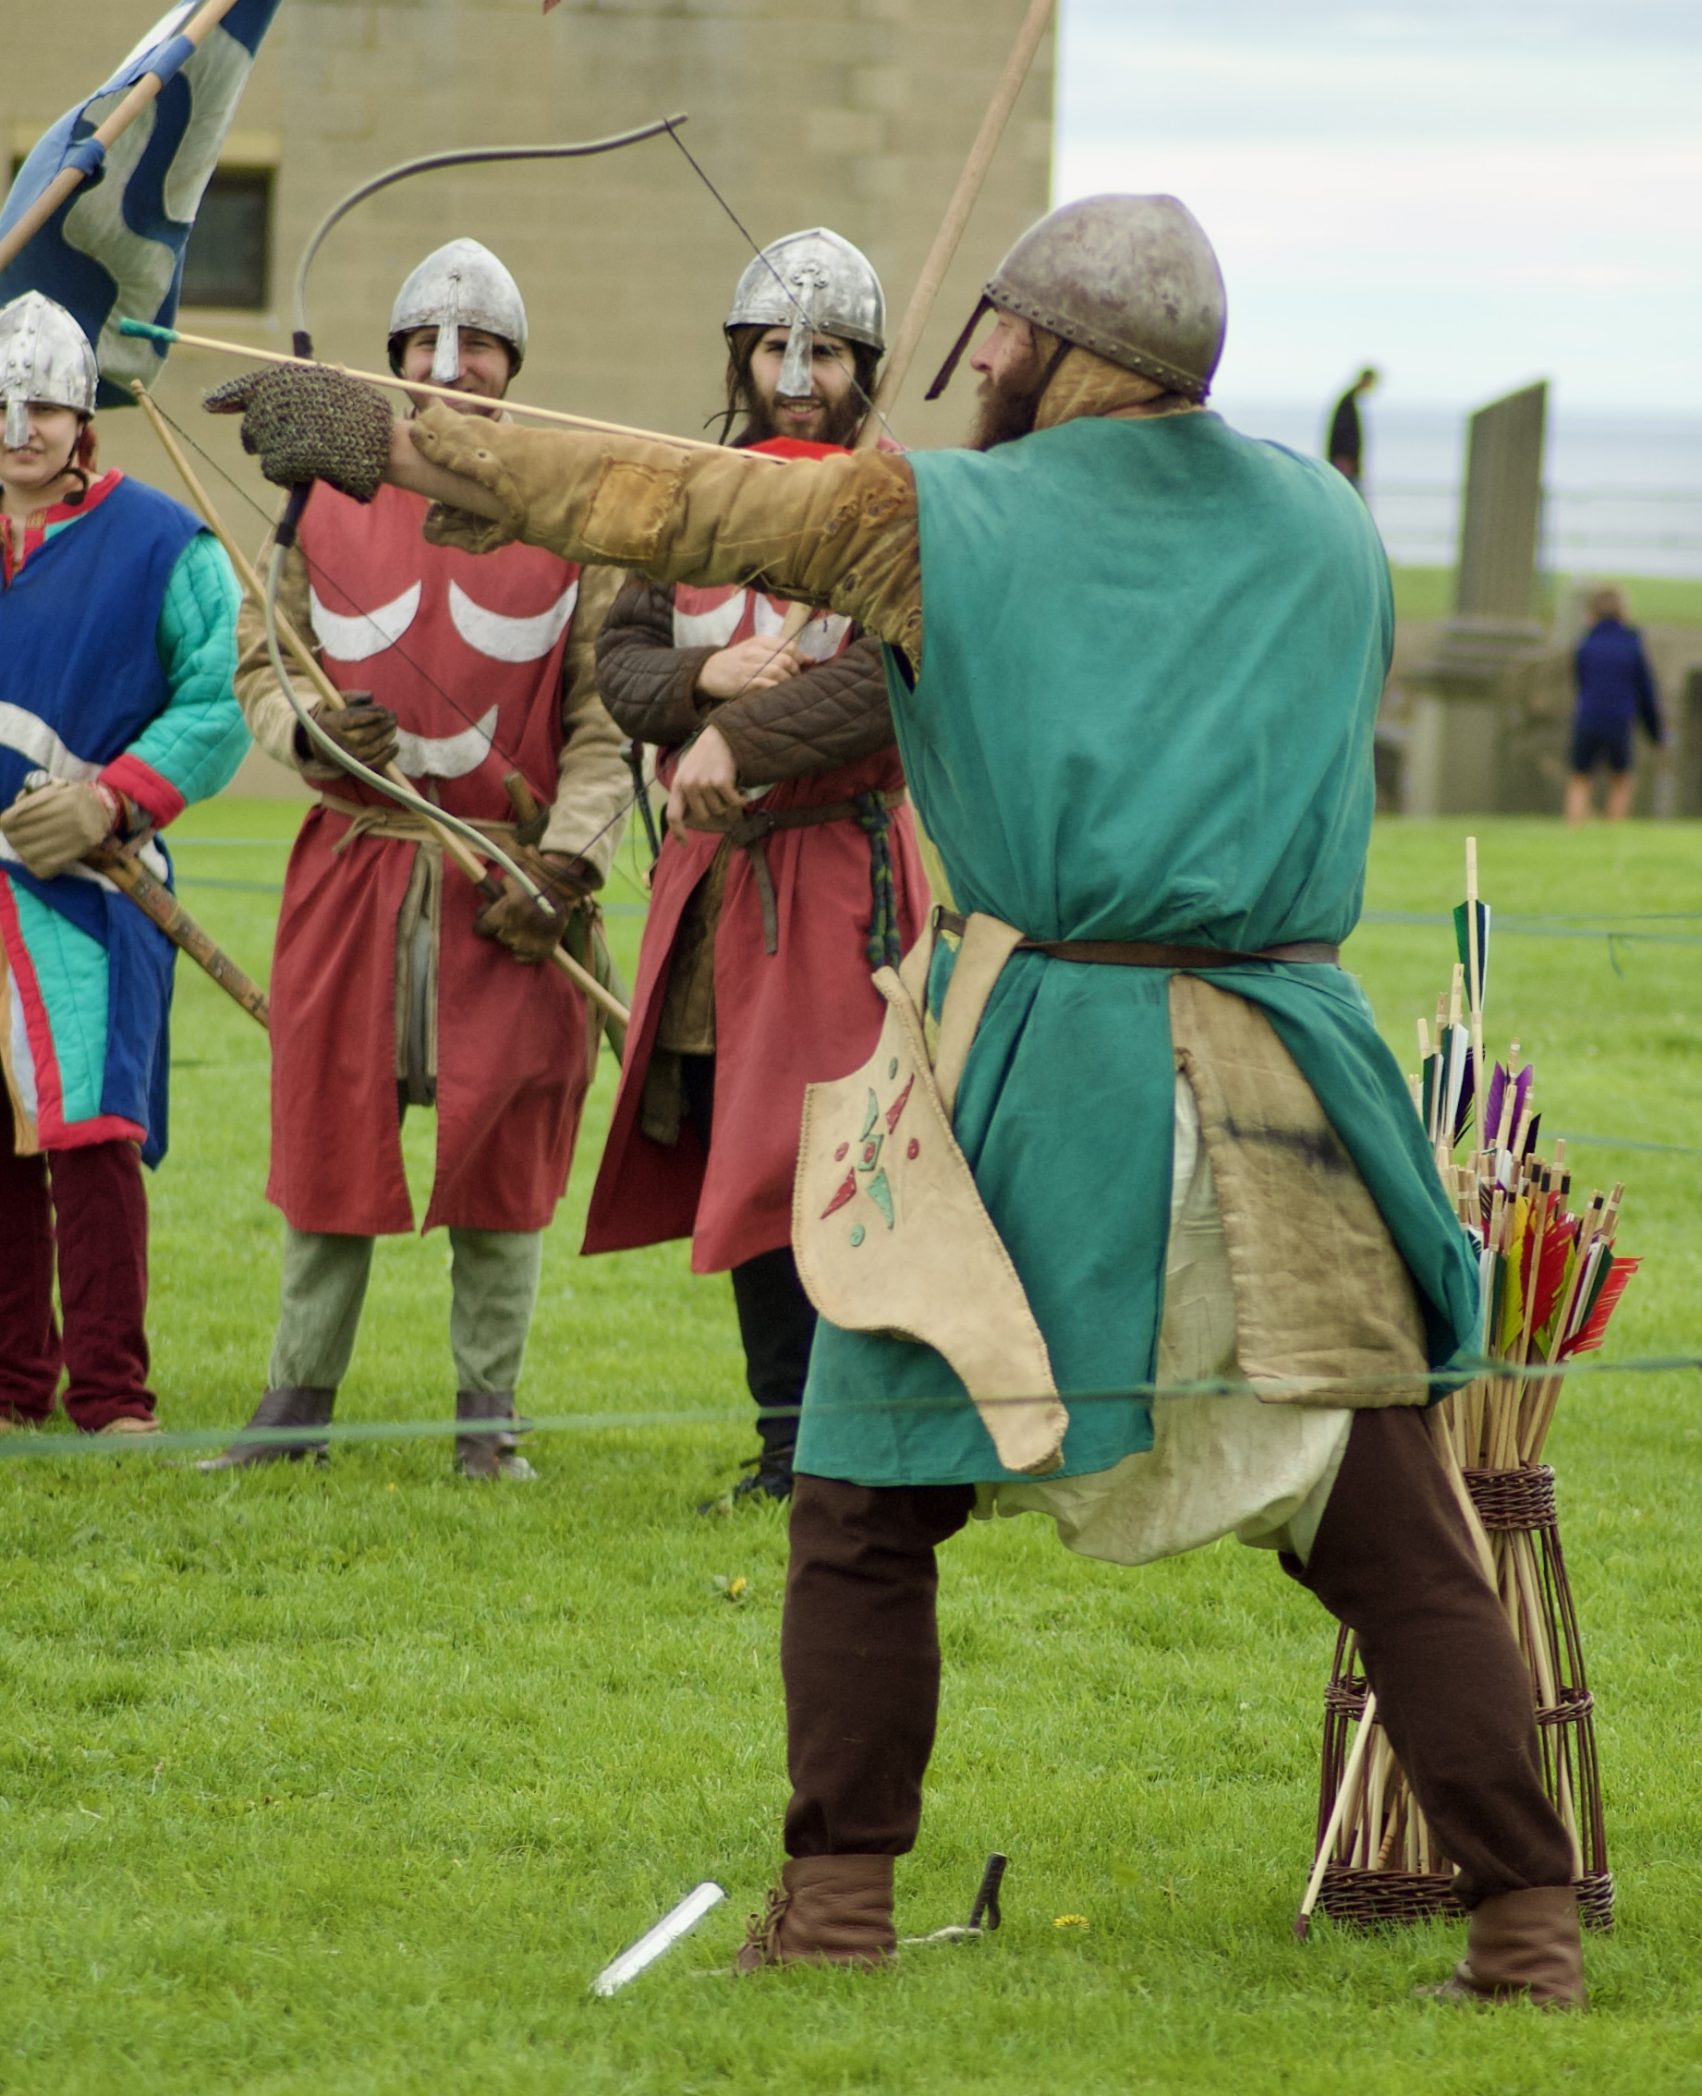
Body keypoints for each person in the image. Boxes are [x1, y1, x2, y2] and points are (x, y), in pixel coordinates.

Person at [217, 194, 1587, 2008]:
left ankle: (842, 1905)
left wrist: (398, 440)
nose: (979, 365)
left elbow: (673, 504)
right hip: (1295, 1078)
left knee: (859, 1496)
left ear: (1060, 349)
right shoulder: (1333, 524)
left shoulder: (938, 518)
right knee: (1388, 1516)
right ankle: (1528, 1932)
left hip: (1053, 1073)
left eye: (999, 337)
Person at [204, 241, 630, 1479]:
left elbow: (605, 721)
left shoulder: (574, 507)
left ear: (515, 367)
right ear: (390, 363)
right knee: (330, 1124)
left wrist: (569, 864)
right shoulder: (319, 496)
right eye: (426, 347)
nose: (451, 366)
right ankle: (297, 1405)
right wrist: (310, 726)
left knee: (506, 1136)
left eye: (478, 346)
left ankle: (484, 1419)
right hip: (359, 856)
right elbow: (261, 659)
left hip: (511, 878)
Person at [587, 232, 930, 1505]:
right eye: (778, 347)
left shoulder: (892, 506)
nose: (798, 373)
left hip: (845, 877)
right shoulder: (693, 495)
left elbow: (887, 688)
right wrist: (700, 681)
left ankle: (858, 1439)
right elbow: (621, 666)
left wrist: (740, 731)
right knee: (743, 1147)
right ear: (741, 355)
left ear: (864, 368)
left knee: (842, 1158)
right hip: (722, 879)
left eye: (826, 350)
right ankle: (788, 1443)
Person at [0, 291, 246, 1436]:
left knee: (91, 1132)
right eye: (4, 407)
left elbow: (220, 698)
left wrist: (111, 794)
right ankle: (11, 1382)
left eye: (44, 405)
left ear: (81, 413)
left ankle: (111, 1394)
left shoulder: (157, 541)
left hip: (93, 887)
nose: (21, 429)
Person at [1564, 584, 1663, 826]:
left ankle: (1574, 826)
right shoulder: (1632, 646)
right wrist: (1655, 732)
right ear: (1622, 612)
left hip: (1587, 717)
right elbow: (1645, 692)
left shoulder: (1585, 645)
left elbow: (1580, 681)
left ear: (1591, 613)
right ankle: (1614, 826)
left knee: (1580, 776)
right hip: (1619, 719)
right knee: (1621, 778)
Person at [1326, 365, 1379, 491]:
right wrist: (1343, 458)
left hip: (1347, 462)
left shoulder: (1350, 401)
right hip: (1345, 463)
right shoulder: (1348, 402)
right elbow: (1342, 432)